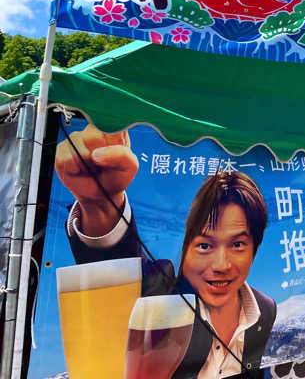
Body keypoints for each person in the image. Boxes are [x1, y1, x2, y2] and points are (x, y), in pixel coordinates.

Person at [54, 124, 276, 379]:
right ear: (186, 247)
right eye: (204, 245)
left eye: (237, 244)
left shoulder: (264, 309)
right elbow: (119, 266)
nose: (221, 264)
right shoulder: (160, 295)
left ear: (254, 248)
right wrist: (101, 205)